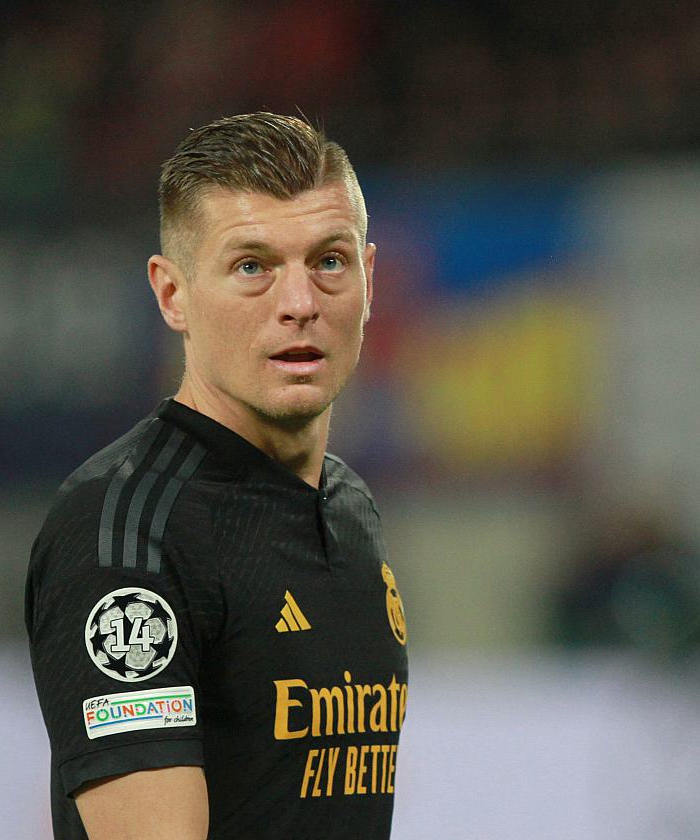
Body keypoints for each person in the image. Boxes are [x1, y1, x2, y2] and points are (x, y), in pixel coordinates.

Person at [25, 112, 409, 840]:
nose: (299, 304)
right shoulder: (126, 533)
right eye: (252, 267)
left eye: (329, 261)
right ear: (172, 295)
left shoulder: (350, 508)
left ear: (370, 279)